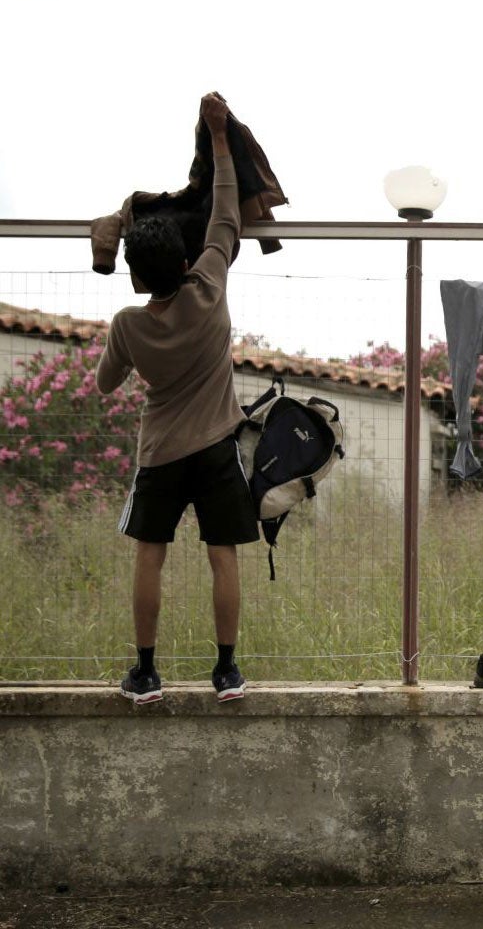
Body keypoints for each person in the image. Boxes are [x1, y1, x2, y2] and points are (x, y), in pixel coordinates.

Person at [97, 92, 259, 705]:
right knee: (223, 558)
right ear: (188, 260)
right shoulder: (210, 284)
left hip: (160, 452)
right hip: (217, 446)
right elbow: (223, 206)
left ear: (137, 278)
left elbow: (105, 385)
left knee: (150, 557)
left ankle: (144, 674)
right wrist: (218, 136)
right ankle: (227, 672)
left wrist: (121, 349)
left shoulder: (128, 324)